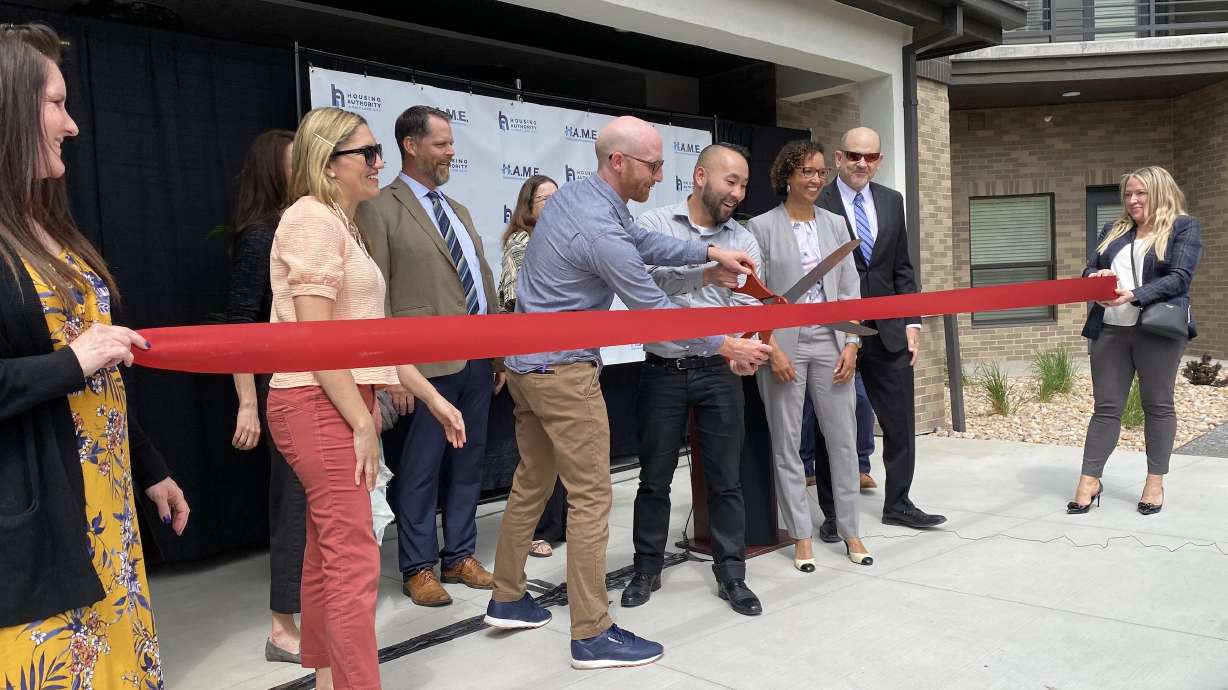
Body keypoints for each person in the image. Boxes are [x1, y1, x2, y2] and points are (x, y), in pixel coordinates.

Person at [482, 116, 769, 670]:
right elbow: (653, 312)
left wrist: (709, 256)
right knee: (591, 497)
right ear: (619, 162)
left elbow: (645, 239)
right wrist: (725, 344)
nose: (661, 176)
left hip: (527, 368)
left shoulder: (583, 200)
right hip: (564, 375)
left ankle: (509, 596)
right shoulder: (599, 228)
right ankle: (591, 633)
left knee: (531, 484)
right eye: (653, 165)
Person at [0, 23, 189, 688]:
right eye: (57, 104)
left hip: (103, 517)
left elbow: (95, 368)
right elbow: (74, 363)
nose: (73, 125)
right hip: (35, 533)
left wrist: (150, 467)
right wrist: (71, 362)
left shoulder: (45, 227)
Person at [265, 106, 466, 690]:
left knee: (330, 557)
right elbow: (316, 339)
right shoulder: (311, 220)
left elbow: (368, 334)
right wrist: (359, 419)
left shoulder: (341, 221)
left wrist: (429, 396)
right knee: (353, 562)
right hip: (317, 402)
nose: (381, 163)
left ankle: (331, 680)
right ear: (328, 164)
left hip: (337, 400)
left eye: (379, 152)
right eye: (369, 153)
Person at [356, 105, 499, 608]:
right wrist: (391, 369)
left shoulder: (456, 209)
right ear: (411, 146)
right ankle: (418, 566)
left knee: (468, 462)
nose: (451, 152)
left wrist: (498, 352)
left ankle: (459, 555)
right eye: (442, 144)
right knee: (419, 470)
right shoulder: (379, 206)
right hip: (421, 369)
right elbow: (376, 296)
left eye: (452, 143)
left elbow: (479, 278)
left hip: (478, 360)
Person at [622, 143, 764, 616]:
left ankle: (732, 574)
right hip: (662, 370)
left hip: (719, 373)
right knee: (654, 478)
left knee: (727, 480)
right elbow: (642, 289)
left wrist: (745, 350)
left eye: (743, 184)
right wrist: (705, 274)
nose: (738, 193)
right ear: (701, 175)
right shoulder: (652, 226)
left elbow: (749, 304)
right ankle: (645, 569)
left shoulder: (743, 240)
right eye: (731, 181)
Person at [749, 140, 873, 572]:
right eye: (807, 171)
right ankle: (801, 535)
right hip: (782, 345)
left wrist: (854, 344)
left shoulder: (837, 224)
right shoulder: (761, 227)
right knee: (786, 443)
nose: (816, 179)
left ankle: (850, 529)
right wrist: (772, 347)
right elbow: (756, 295)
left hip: (833, 341)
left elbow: (850, 288)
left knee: (842, 440)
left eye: (821, 172)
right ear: (787, 174)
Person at [815, 126, 945, 531]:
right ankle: (834, 513)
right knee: (831, 425)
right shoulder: (818, 202)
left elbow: (901, 266)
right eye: (854, 155)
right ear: (839, 158)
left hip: (889, 330)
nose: (861, 163)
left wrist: (912, 320)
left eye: (869, 157)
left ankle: (899, 503)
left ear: (879, 161)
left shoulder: (891, 201)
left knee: (900, 421)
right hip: (838, 330)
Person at [1069, 166, 1201, 516]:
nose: (1132, 200)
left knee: (1157, 405)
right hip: (1110, 329)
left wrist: (1134, 295)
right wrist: (1094, 277)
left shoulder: (1182, 227)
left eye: (1140, 193)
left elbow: (1180, 278)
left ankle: (1154, 481)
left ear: (1159, 192)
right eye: (1128, 194)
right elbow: (1088, 269)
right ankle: (1089, 481)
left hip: (1157, 331)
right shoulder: (1114, 230)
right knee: (1106, 408)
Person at [221, 128, 307, 663]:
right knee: (292, 509)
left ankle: (308, 615)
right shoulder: (260, 235)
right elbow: (240, 326)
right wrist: (248, 404)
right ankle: (282, 626)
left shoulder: (303, 227)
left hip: (317, 388)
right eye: (298, 162)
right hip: (283, 392)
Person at [497, 173, 567, 558]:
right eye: (545, 199)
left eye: (559, 197)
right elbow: (514, 302)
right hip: (534, 363)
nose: (554, 204)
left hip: (562, 359)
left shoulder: (560, 240)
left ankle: (556, 524)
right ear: (528, 207)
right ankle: (534, 531)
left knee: (559, 452)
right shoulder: (522, 244)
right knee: (537, 457)